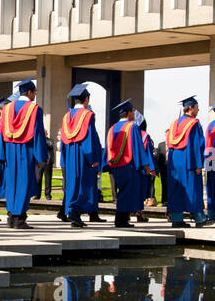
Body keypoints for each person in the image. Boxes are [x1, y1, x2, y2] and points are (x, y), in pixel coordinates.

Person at [0, 79, 47, 228]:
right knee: (24, 182)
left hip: (10, 150)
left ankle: (11, 217)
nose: (35, 95)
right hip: (27, 150)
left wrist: (2, 153)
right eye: (35, 92)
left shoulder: (7, 109)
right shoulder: (34, 109)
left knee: (12, 183)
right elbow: (38, 133)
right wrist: (40, 156)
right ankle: (19, 219)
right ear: (30, 92)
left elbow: (2, 133)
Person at [59, 83, 103, 228]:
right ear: (87, 99)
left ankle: (72, 211)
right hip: (83, 155)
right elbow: (89, 138)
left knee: (72, 184)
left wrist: (64, 160)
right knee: (85, 184)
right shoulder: (87, 115)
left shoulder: (67, 116)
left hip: (70, 154)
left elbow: (65, 140)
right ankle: (76, 212)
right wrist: (93, 159)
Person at [103, 99, 151, 227]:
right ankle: (121, 220)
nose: (134, 113)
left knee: (122, 191)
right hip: (128, 165)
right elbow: (137, 148)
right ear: (129, 113)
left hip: (116, 165)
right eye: (133, 111)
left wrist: (107, 164)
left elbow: (108, 147)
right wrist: (145, 165)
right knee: (127, 192)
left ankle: (123, 218)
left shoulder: (112, 128)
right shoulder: (133, 127)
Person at [165, 96, 206, 228]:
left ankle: (177, 219)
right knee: (192, 188)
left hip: (175, 160)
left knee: (176, 189)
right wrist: (198, 164)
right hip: (189, 160)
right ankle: (199, 218)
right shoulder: (193, 124)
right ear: (190, 108)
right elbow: (196, 144)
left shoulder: (174, 124)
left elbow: (170, 143)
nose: (198, 110)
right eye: (197, 107)